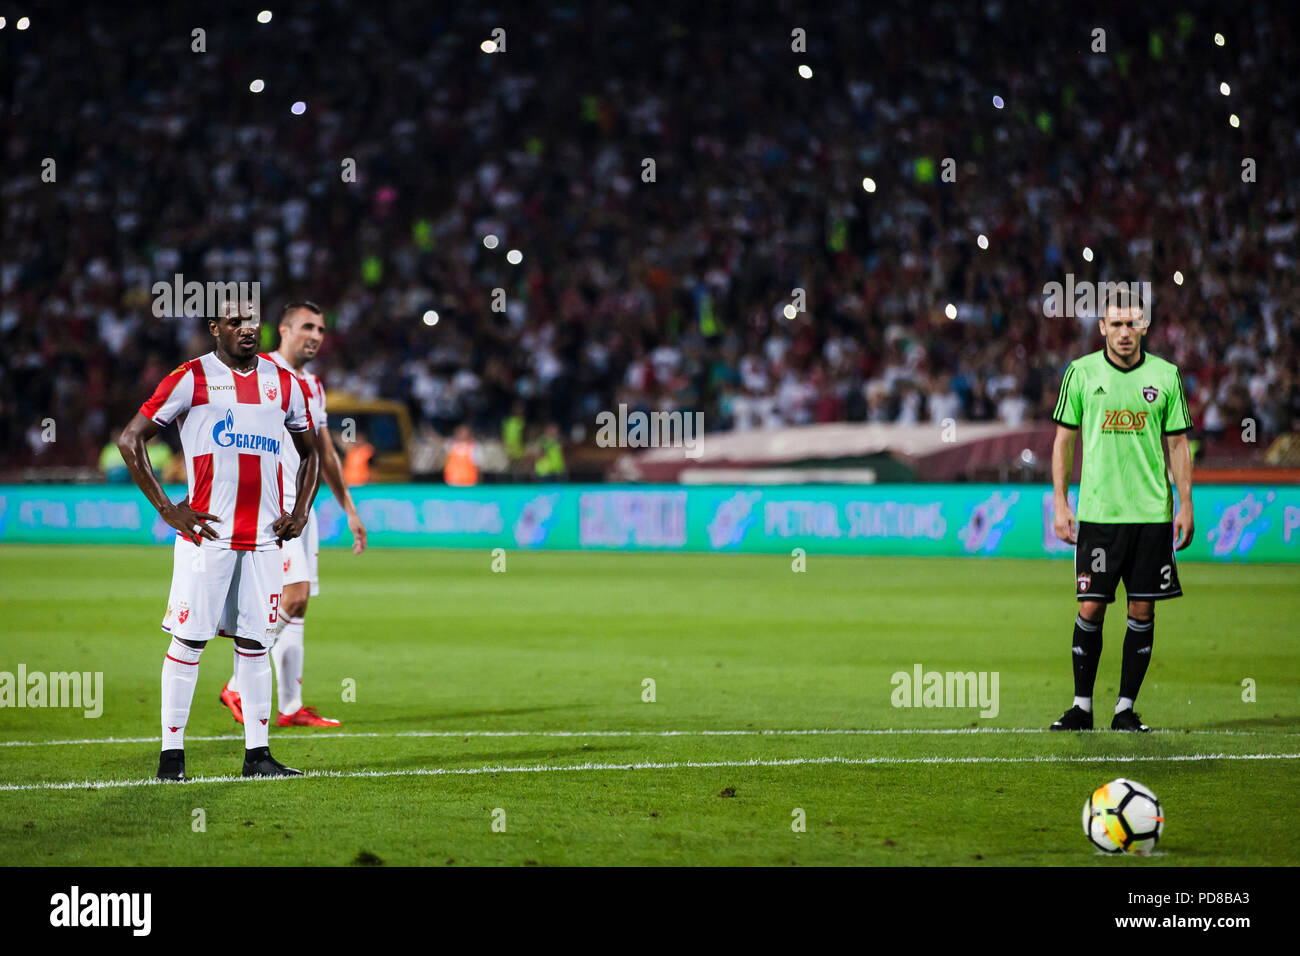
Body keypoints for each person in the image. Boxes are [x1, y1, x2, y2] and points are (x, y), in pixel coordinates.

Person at [117, 300, 321, 780]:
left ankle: (258, 756)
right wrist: (169, 508)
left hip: (265, 541)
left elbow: (310, 453)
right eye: (236, 322)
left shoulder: (283, 383)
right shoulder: (190, 377)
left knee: (255, 644)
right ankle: (171, 759)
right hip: (207, 538)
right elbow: (131, 439)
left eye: (253, 322)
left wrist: (300, 511)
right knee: (190, 641)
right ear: (215, 328)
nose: (247, 330)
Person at [1049, 291, 1194, 733]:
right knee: (1091, 606)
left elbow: (1177, 445)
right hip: (1099, 514)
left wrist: (1185, 503)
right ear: (1102, 329)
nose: (1124, 333)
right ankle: (1081, 707)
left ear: (1145, 327)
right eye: (1116, 325)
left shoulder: (1166, 376)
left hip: (1151, 515)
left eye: (1132, 324)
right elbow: (1063, 442)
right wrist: (1060, 501)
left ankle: (1124, 710)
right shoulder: (1081, 373)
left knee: (1142, 609)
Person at [220, 301, 367, 729]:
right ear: (282, 329)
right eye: (307, 326)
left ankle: (290, 706)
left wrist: (349, 509)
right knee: (293, 597)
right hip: (271, 510)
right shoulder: (256, 372)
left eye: (321, 328)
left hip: (304, 507)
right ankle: (235, 684)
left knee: (299, 610)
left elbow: (324, 454)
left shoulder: (314, 387)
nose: (315, 335)